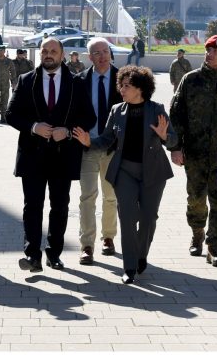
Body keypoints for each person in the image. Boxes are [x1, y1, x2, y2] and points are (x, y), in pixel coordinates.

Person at [74, 66, 177, 284]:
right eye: (120, 85)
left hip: (153, 172)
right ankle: (129, 267)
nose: (121, 89)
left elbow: (174, 140)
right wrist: (89, 142)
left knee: (149, 218)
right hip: (124, 171)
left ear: (140, 88)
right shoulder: (117, 110)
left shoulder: (156, 109)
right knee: (127, 217)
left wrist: (164, 136)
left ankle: (141, 254)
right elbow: (106, 139)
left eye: (126, 86)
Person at [6, 37, 96, 272]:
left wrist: (68, 131)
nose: (48, 54)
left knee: (60, 206)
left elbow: (89, 117)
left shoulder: (76, 83)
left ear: (62, 54)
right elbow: (11, 114)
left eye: (53, 51)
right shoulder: (26, 80)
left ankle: (53, 253)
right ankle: (32, 255)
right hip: (32, 155)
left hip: (62, 156)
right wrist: (34, 127)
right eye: (44, 50)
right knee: (32, 206)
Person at [169, 34, 217, 267]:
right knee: (196, 199)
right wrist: (175, 147)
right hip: (195, 153)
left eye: (216, 51)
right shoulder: (191, 80)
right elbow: (176, 114)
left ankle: (214, 246)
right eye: (208, 50)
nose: (210, 54)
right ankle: (197, 233)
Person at [76, 37, 122, 265]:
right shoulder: (79, 81)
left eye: (105, 51)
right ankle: (87, 244)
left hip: (113, 147)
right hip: (88, 146)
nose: (102, 56)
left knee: (110, 196)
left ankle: (108, 237)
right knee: (87, 196)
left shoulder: (123, 79)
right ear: (89, 57)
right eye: (97, 53)